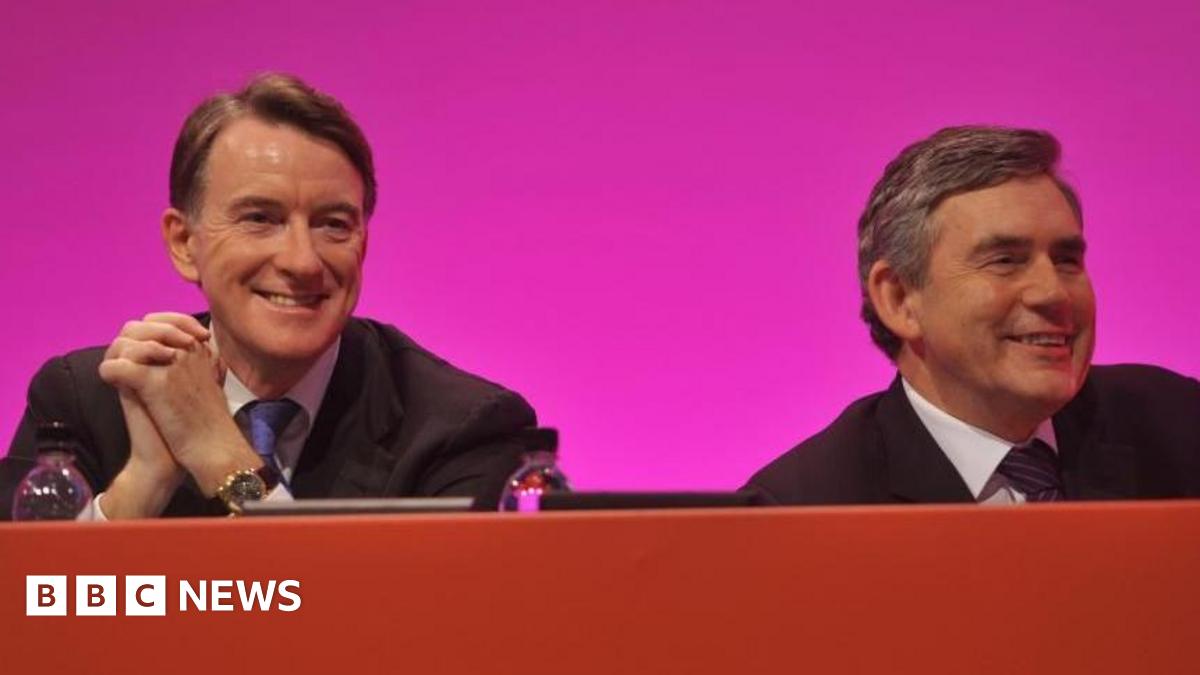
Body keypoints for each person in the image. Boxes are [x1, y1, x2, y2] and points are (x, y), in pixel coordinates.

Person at [1, 73, 537, 519]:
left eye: (332, 225)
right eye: (261, 219)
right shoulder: (82, 403)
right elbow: (33, 617)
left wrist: (222, 455)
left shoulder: (459, 429)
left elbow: (378, 635)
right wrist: (139, 488)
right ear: (184, 243)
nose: (303, 261)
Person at [747, 126, 1199, 504]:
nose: (1054, 293)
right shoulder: (803, 510)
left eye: (1067, 260)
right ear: (900, 299)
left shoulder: (1179, 426)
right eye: (1005, 260)